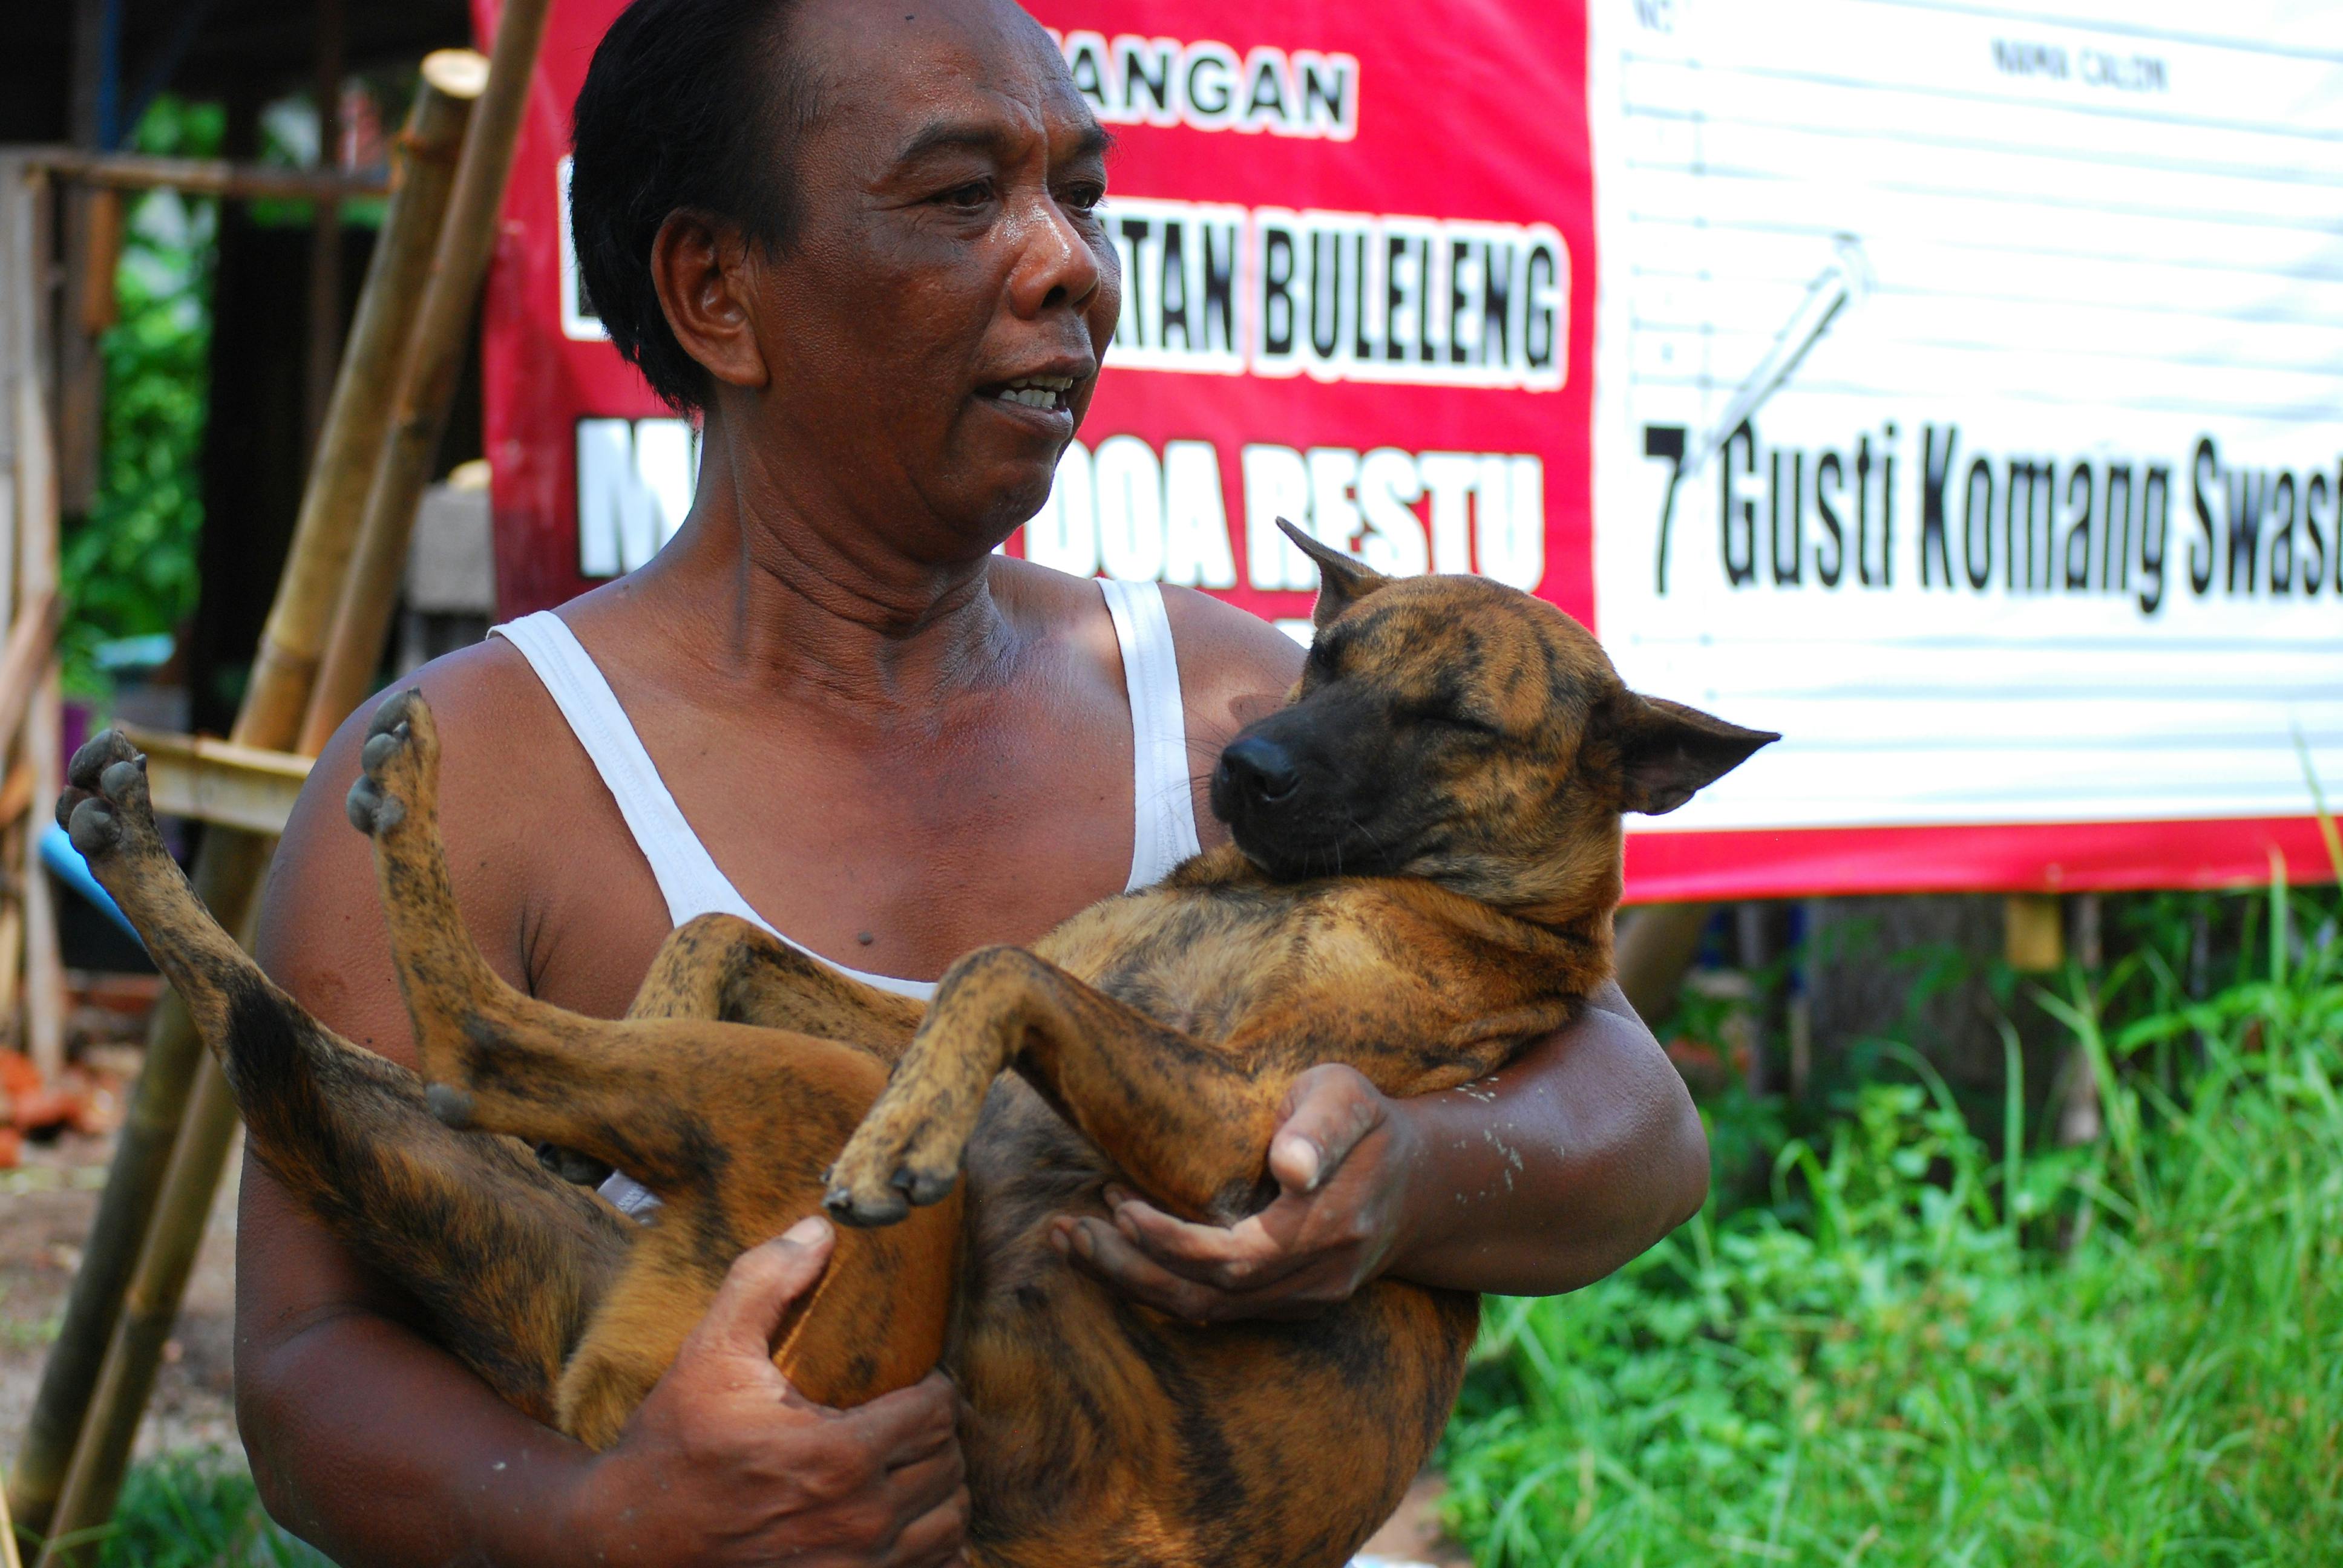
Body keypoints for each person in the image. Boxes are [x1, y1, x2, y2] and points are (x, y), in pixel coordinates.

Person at [237, 0, 1710, 1561]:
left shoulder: (1238, 714)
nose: (1069, 260)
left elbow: (1637, 1128)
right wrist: (607, 1521)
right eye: (959, 197)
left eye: (1080, 191)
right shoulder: (478, 783)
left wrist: (1404, 1179)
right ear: (715, 290)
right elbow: (303, 1366)